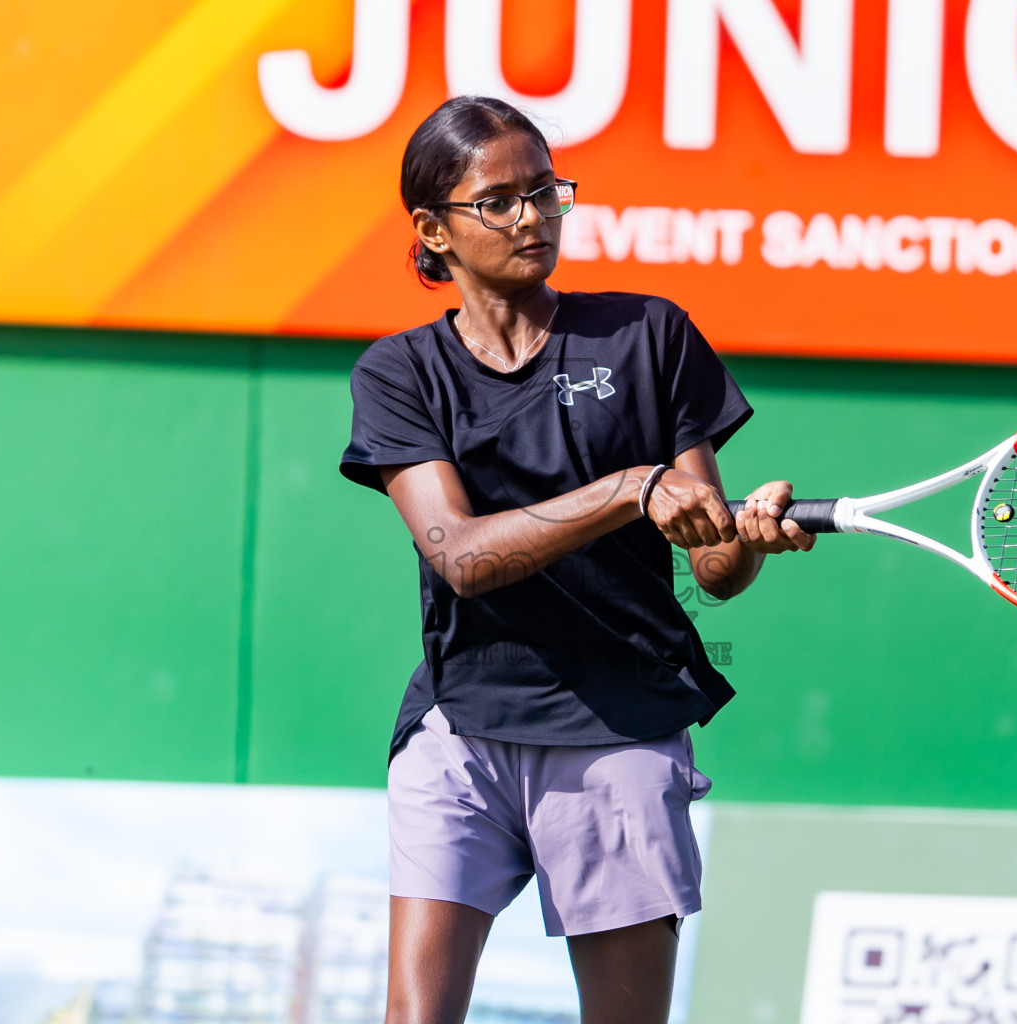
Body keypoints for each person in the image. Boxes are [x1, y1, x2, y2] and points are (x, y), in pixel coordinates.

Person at [339, 95, 814, 1024]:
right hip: (460, 731)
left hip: (623, 731)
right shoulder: (399, 373)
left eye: (546, 192)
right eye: (500, 201)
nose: (533, 217)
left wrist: (743, 537)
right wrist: (627, 488)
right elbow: (460, 557)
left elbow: (712, 564)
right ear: (433, 229)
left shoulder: (648, 335)